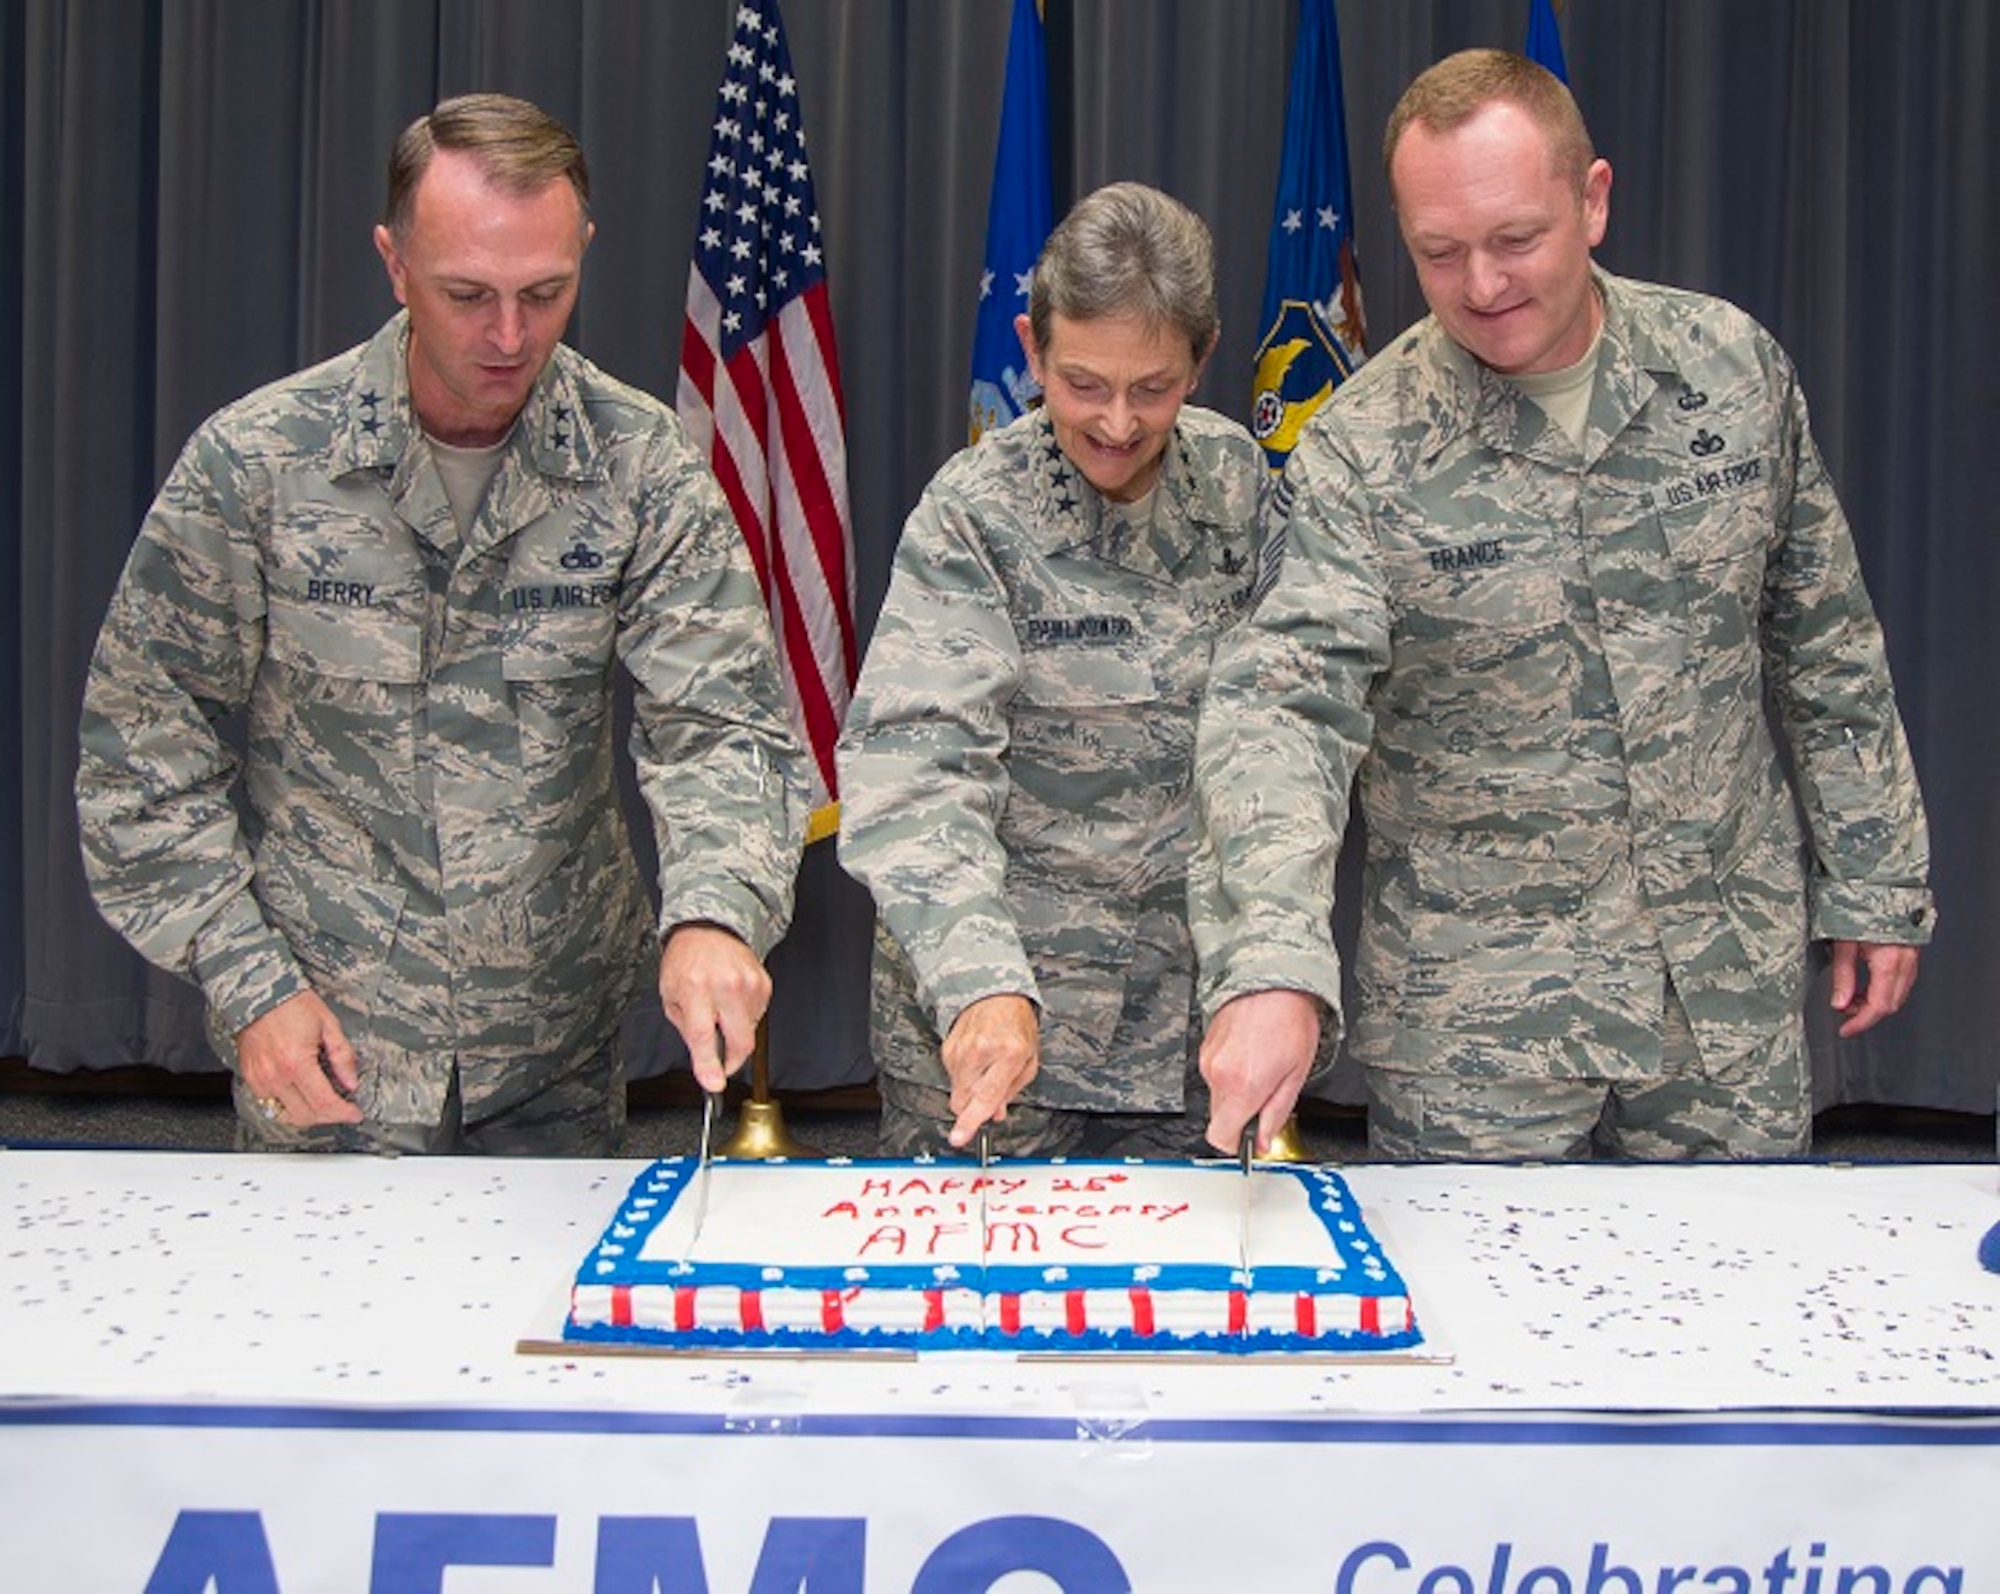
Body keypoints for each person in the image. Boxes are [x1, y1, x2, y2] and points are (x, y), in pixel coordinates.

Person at [1191, 51, 1933, 1162]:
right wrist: (1269, 963)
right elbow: (1282, 716)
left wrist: (1873, 873)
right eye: (1439, 253)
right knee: (1480, 1323)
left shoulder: (1727, 370)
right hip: (1480, 1022)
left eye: (1515, 240)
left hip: (1717, 993)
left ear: (1591, 200)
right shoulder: (1361, 450)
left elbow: (1821, 639)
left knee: (1737, 1305)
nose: (1481, 285)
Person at [75, 93, 808, 1154]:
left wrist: (709, 910)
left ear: (584, 253)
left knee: (534, 1321)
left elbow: (722, 725)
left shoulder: (639, 465)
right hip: (325, 1041)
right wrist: (247, 980)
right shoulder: (262, 462)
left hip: (552, 1052)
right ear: (393, 262)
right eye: (466, 294)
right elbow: (139, 750)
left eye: (544, 293)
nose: (508, 336)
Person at [836, 183, 1267, 1158]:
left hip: (1184, 1039)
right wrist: (981, 978)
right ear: (1030, 347)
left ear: (1200, 359)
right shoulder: (973, 515)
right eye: (1082, 384)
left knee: (1182, 1302)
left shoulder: (1240, 487)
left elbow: (1289, 732)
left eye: (1150, 388)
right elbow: (914, 772)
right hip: (992, 1029)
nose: (1116, 421)